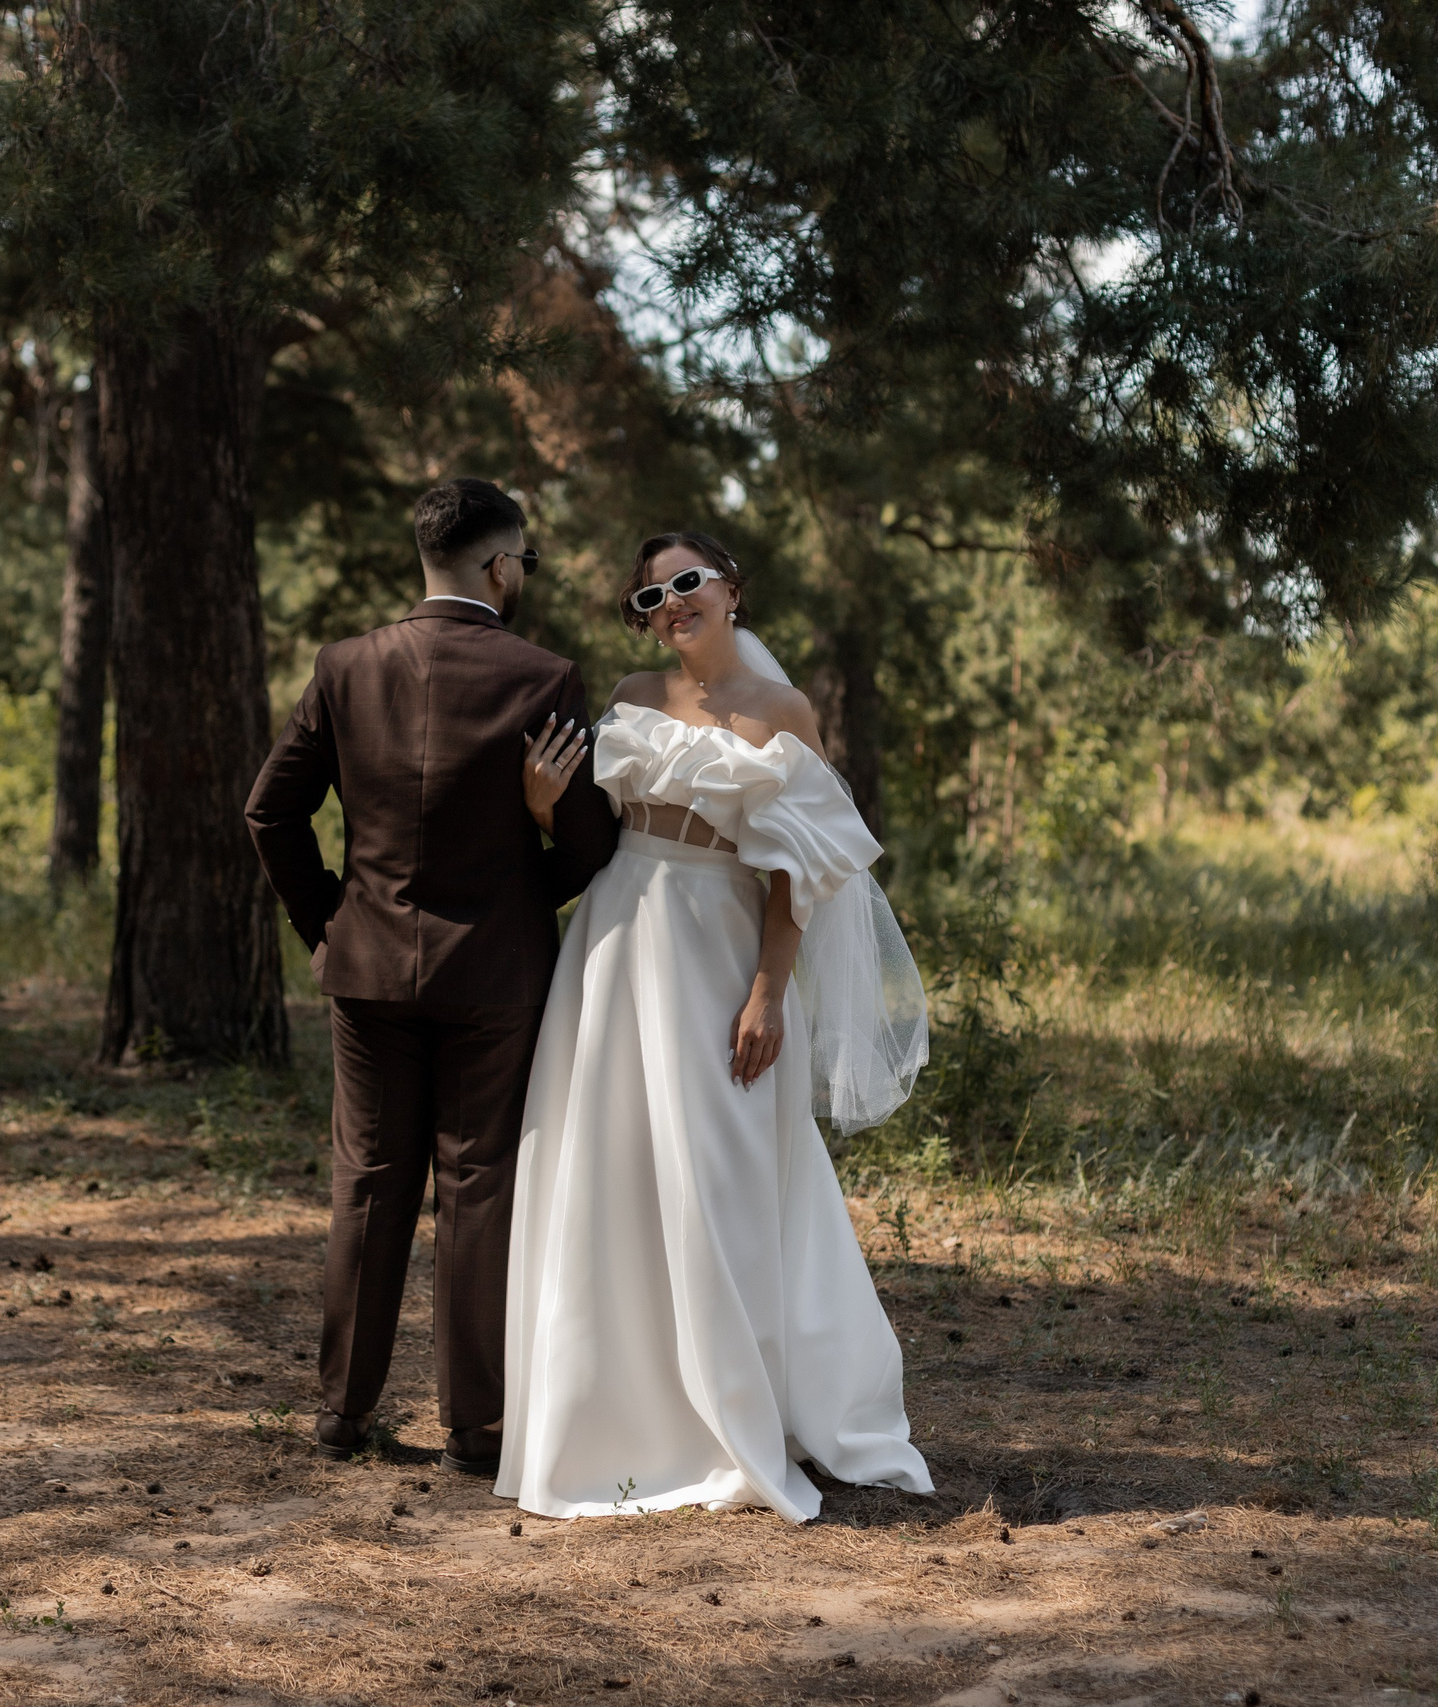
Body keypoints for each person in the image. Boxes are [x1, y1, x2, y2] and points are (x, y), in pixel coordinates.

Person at [495, 531, 934, 1522]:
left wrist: (769, 991)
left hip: (721, 953)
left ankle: (734, 1414)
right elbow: (586, 833)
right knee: (610, 1173)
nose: (669, 605)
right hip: (615, 946)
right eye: (648, 596)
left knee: (723, 1173)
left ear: (733, 589)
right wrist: (539, 806)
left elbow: (795, 867)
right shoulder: (630, 697)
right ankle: (614, 1421)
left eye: (688, 584)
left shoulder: (782, 713)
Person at [245, 477, 619, 1476]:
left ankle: (340, 1411)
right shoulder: (544, 678)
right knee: (479, 1187)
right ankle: (476, 1429)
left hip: (366, 969)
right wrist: (540, 840)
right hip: (496, 972)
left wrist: (327, 920)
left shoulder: (345, 666)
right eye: (524, 562)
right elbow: (593, 849)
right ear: (500, 567)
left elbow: (268, 812)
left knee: (366, 1184)